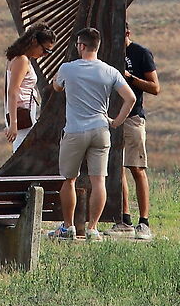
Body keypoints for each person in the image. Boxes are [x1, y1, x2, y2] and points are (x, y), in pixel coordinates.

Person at [52, 27, 135, 240]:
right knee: (99, 181)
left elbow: (57, 87)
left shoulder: (68, 69)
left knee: (69, 180)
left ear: (81, 46)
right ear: (97, 46)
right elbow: (130, 98)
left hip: (75, 131)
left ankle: (68, 227)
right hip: (101, 129)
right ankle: (93, 229)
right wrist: (116, 121)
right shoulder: (110, 71)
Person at [113, 23, 158, 240]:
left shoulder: (141, 53)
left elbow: (155, 87)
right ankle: (124, 219)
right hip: (112, 117)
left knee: (137, 168)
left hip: (133, 117)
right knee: (116, 168)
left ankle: (144, 221)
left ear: (128, 33)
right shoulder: (108, 53)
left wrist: (129, 78)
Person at [1, 24, 53, 149]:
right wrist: (14, 123)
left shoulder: (18, 58)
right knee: (23, 152)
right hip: (22, 115)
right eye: (45, 50)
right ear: (34, 42)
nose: (45, 54)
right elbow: (12, 91)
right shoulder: (22, 60)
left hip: (22, 114)